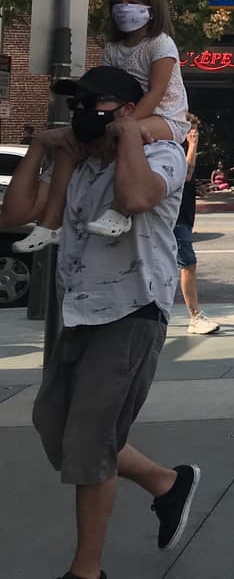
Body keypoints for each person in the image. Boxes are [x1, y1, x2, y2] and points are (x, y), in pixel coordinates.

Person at [1, 66, 199, 579]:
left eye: (99, 103)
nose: (85, 114)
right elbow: (16, 213)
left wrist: (130, 135)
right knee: (57, 428)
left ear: (129, 110)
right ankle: (165, 483)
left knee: (89, 443)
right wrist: (43, 150)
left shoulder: (163, 156)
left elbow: (135, 200)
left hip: (131, 312)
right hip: (78, 311)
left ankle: (85, 570)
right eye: (78, 105)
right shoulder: (80, 166)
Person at [15, 0, 190, 253]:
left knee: (127, 135)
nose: (124, 8)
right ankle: (49, 225)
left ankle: (120, 213)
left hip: (165, 117)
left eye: (133, 1)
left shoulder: (161, 43)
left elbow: (156, 92)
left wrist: (125, 123)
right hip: (126, 113)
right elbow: (107, 86)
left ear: (151, 6)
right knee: (69, 148)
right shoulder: (113, 49)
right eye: (118, 2)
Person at [176, 114, 220, 335]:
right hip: (174, 217)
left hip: (183, 215)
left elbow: (187, 181)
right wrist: (192, 146)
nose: (193, 136)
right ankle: (195, 316)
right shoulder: (175, 149)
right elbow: (184, 174)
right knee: (187, 263)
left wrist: (197, 188)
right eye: (190, 131)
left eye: (195, 132)